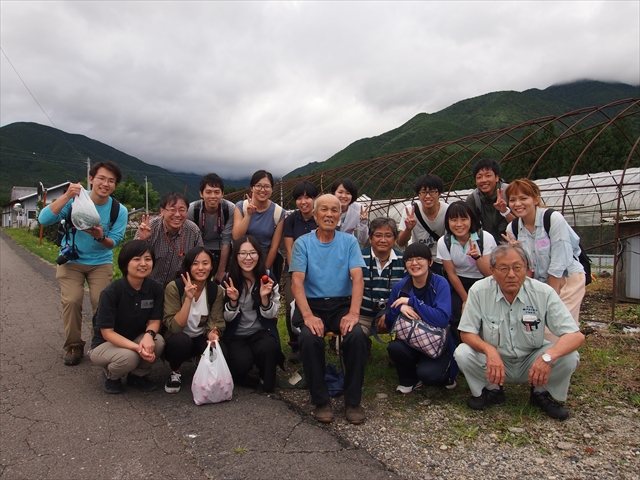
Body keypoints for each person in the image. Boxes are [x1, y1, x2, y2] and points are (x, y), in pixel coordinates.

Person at [454, 245, 585, 420]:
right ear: (492, 271)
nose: (511, 274)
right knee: (462, 353)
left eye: (517, 268)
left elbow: (575, 336)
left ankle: (541, 392)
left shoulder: (543, 293)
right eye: (504, 268)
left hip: (532, 359)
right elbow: (466, 333)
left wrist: (548, 357)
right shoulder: (479, 291)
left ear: (527, 269)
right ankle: (492, 389)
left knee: (569, 356)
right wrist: (489, 350)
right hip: (496, 362)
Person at [38, 160, 128, 366]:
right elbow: (44, 220)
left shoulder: (118, 210)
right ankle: (74, 345)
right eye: (101, 179)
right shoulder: (75, 200)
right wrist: (67, 195)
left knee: (102, 302)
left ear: (115, 185)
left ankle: (100, 343)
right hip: (72, 260)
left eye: (111, 181)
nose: (105, 184)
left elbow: (112, 243)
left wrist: (99, 236)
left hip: (100, 262)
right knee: (72, 300)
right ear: (91, 179)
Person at [290, 194, 367, 425]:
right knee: (309, 337)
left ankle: (353, 401)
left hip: (341, 304)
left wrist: (354, 314)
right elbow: (297, 282)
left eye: (335, 210)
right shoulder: (302, 243)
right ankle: (321, 400)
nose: (330, 214)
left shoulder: (349, 242)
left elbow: (358, 279)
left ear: (340, 215)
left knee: (356, 337)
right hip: (312, 305)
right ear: (315, 215)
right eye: (324, 210)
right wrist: (308, 316)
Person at [88, 240, 165, 394]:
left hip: (135, 338)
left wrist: (149, 336)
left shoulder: (155, 288)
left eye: (147, 259)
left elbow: (155, 321)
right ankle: (112, 376)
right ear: (125, 263)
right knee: (129, 357)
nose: (143, 264)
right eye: (137, 259)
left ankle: (137, 376)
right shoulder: (111, 292)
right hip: (106, 344)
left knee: (158, 342)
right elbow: (107, 332)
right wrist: (137, 348)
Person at [504, 179, 586, 322]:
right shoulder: (513, 228)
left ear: (536, 199)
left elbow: (560, 261)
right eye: (512, 200)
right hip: (538, 282)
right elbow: (523, 266)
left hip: (565, 279)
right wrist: (519, 252)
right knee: (536, 326)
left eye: (523, 198)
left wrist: (550, 297)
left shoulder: (552, 219)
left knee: (559, 324)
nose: (517, 204)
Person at [384, 243, 457, 394]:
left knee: (430, 376)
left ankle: (445, 373)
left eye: (419, 259)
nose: (414, 263)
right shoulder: (400, 287)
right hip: (409, 341)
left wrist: (412, 302)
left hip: (435, 343)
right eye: (409, 260)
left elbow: (442, 319)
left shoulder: (440, 283)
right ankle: (408, 380)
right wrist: (399, 308)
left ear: (430, 262)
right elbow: (389, 322)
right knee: (394, 347)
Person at [221, 235, 284, 392]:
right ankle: (245, 370)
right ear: (236, 256)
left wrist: (264, 299)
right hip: (236, 334)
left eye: (252, 253)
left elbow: (272, 314)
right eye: (242, 253)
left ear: (259, 255)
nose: (248, 258)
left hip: (260, 331)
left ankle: (265, 375)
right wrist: (233, 302)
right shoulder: (228, 280)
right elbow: (225, 318)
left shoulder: (268, 278)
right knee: (240, 364)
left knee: (269, 348)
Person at [162, 247, 226, 393]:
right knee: (181, 341)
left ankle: (199, 359)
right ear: (188, 266)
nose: (201, 268)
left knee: (223, 351)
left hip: (200, 337)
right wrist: (189, 298)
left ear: (212, 266)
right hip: (178, 338)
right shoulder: (175, 287)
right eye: (195, 263)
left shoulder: (215, 290)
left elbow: (216, 319)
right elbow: (175, 327)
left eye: (205, 263)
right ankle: (175, 371)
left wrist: (213, 333)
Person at [437, 201, 497, 344]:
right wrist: (466, 299)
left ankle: (488, 346)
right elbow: (451, 273)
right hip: (459, 282)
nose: (459, 224)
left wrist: (477, 257)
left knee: (486, 315)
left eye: (463, 219)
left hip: (483, 281)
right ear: (447, 222)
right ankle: (459, 351)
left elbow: (489, 273)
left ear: (472, 220)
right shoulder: (444, 242)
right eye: (453, 219)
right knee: (455, 315)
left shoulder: (485, 238)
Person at [283, 181, 319, 362]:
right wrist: (297, 273)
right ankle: (295, 344)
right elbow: (289, 249)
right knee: (292, 304)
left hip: (317, 272)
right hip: (294, 271)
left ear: (315, 199)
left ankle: (315, 339)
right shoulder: (291, 220)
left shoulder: (320, 218)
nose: (303, 201)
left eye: (307, 197)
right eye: (299, 198)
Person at [135, 192, 204, 287]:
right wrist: (142, 240)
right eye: (172, 210)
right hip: (148, 285)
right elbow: (131, 259)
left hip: (178, 288)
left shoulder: (192, 231)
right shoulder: (150, 227)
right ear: (162, 211)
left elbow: (201, 259)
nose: (177, 214)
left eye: (182, 210)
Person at [232, 170, 285, 282]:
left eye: (267, 186)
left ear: (272, 189)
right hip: (242, 256)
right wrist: (248, 215)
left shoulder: (278, 213)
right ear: (252, 188)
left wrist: (264, 270)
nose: (262, 190)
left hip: (264, 257)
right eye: (258, 186)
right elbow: (237, 237)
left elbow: (274, 247)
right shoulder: (241, 207)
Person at [359, 217, 405, 338]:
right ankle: (364, 347)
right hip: (363, 317)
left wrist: (390, 313)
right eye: (378, 235)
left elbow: (408, 293)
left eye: (388, 235)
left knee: (408, 336)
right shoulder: (358, 258)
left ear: (395, 239)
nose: (383, 240)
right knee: (354, 335)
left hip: (394, 315)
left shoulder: (404, 260)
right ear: (370, 238)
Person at [187, 173, 236, 283]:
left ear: (222, 194)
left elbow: (226, 240)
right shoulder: (192, 210)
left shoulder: (230, 209)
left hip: (222, 250)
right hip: (198, 248)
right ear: (201, 194)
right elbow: (190, 240)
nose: (213, 196)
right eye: (208, 192)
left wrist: (221, 271)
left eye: (217, 192)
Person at [398, 174, 449, 276]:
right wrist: (408, 229)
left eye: (432, 192)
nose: (428, 196)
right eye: (423, 192)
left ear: (439, 193)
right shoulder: (410, 210)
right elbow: (401, 242)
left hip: (439, 260)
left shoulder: (447, 210)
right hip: (417, 259)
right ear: (418, 194)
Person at [466, 158, 515, 244]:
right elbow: (470, 227)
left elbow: (521, 224)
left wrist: (505, 211)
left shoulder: (510, 192)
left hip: (513, 243)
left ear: (496, 178)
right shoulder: (473, 199)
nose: (484, 180)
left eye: (488, 176)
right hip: (489, 247)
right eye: (479, 177)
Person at [330, 178, 369, 246]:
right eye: (340, 192)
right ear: (334, 193)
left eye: (348, 193)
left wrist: (363, 221)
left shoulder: (358, 209)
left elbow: (362, 240)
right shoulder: (326, 209)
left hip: (347, 247)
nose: (344, 196)